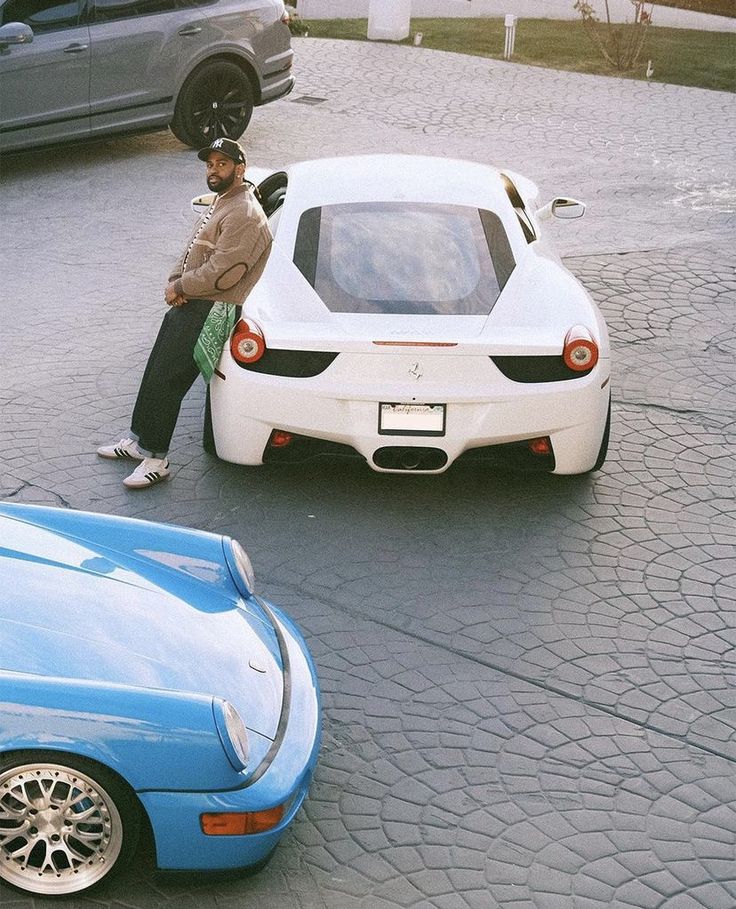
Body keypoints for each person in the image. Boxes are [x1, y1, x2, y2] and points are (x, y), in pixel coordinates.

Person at [98, 138, 272, 488]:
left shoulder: (245, 213)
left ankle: (157, 458)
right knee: (155, 371)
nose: (214, 169)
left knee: (170, 380)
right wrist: (177, 280)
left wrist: (180, 288)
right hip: (195, 301)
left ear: (240, 169)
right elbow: (192, 248)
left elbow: (225, 273)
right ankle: (137, 441)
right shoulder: (223, 202)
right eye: (210, 163)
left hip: (213, 309)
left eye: (222, 164)